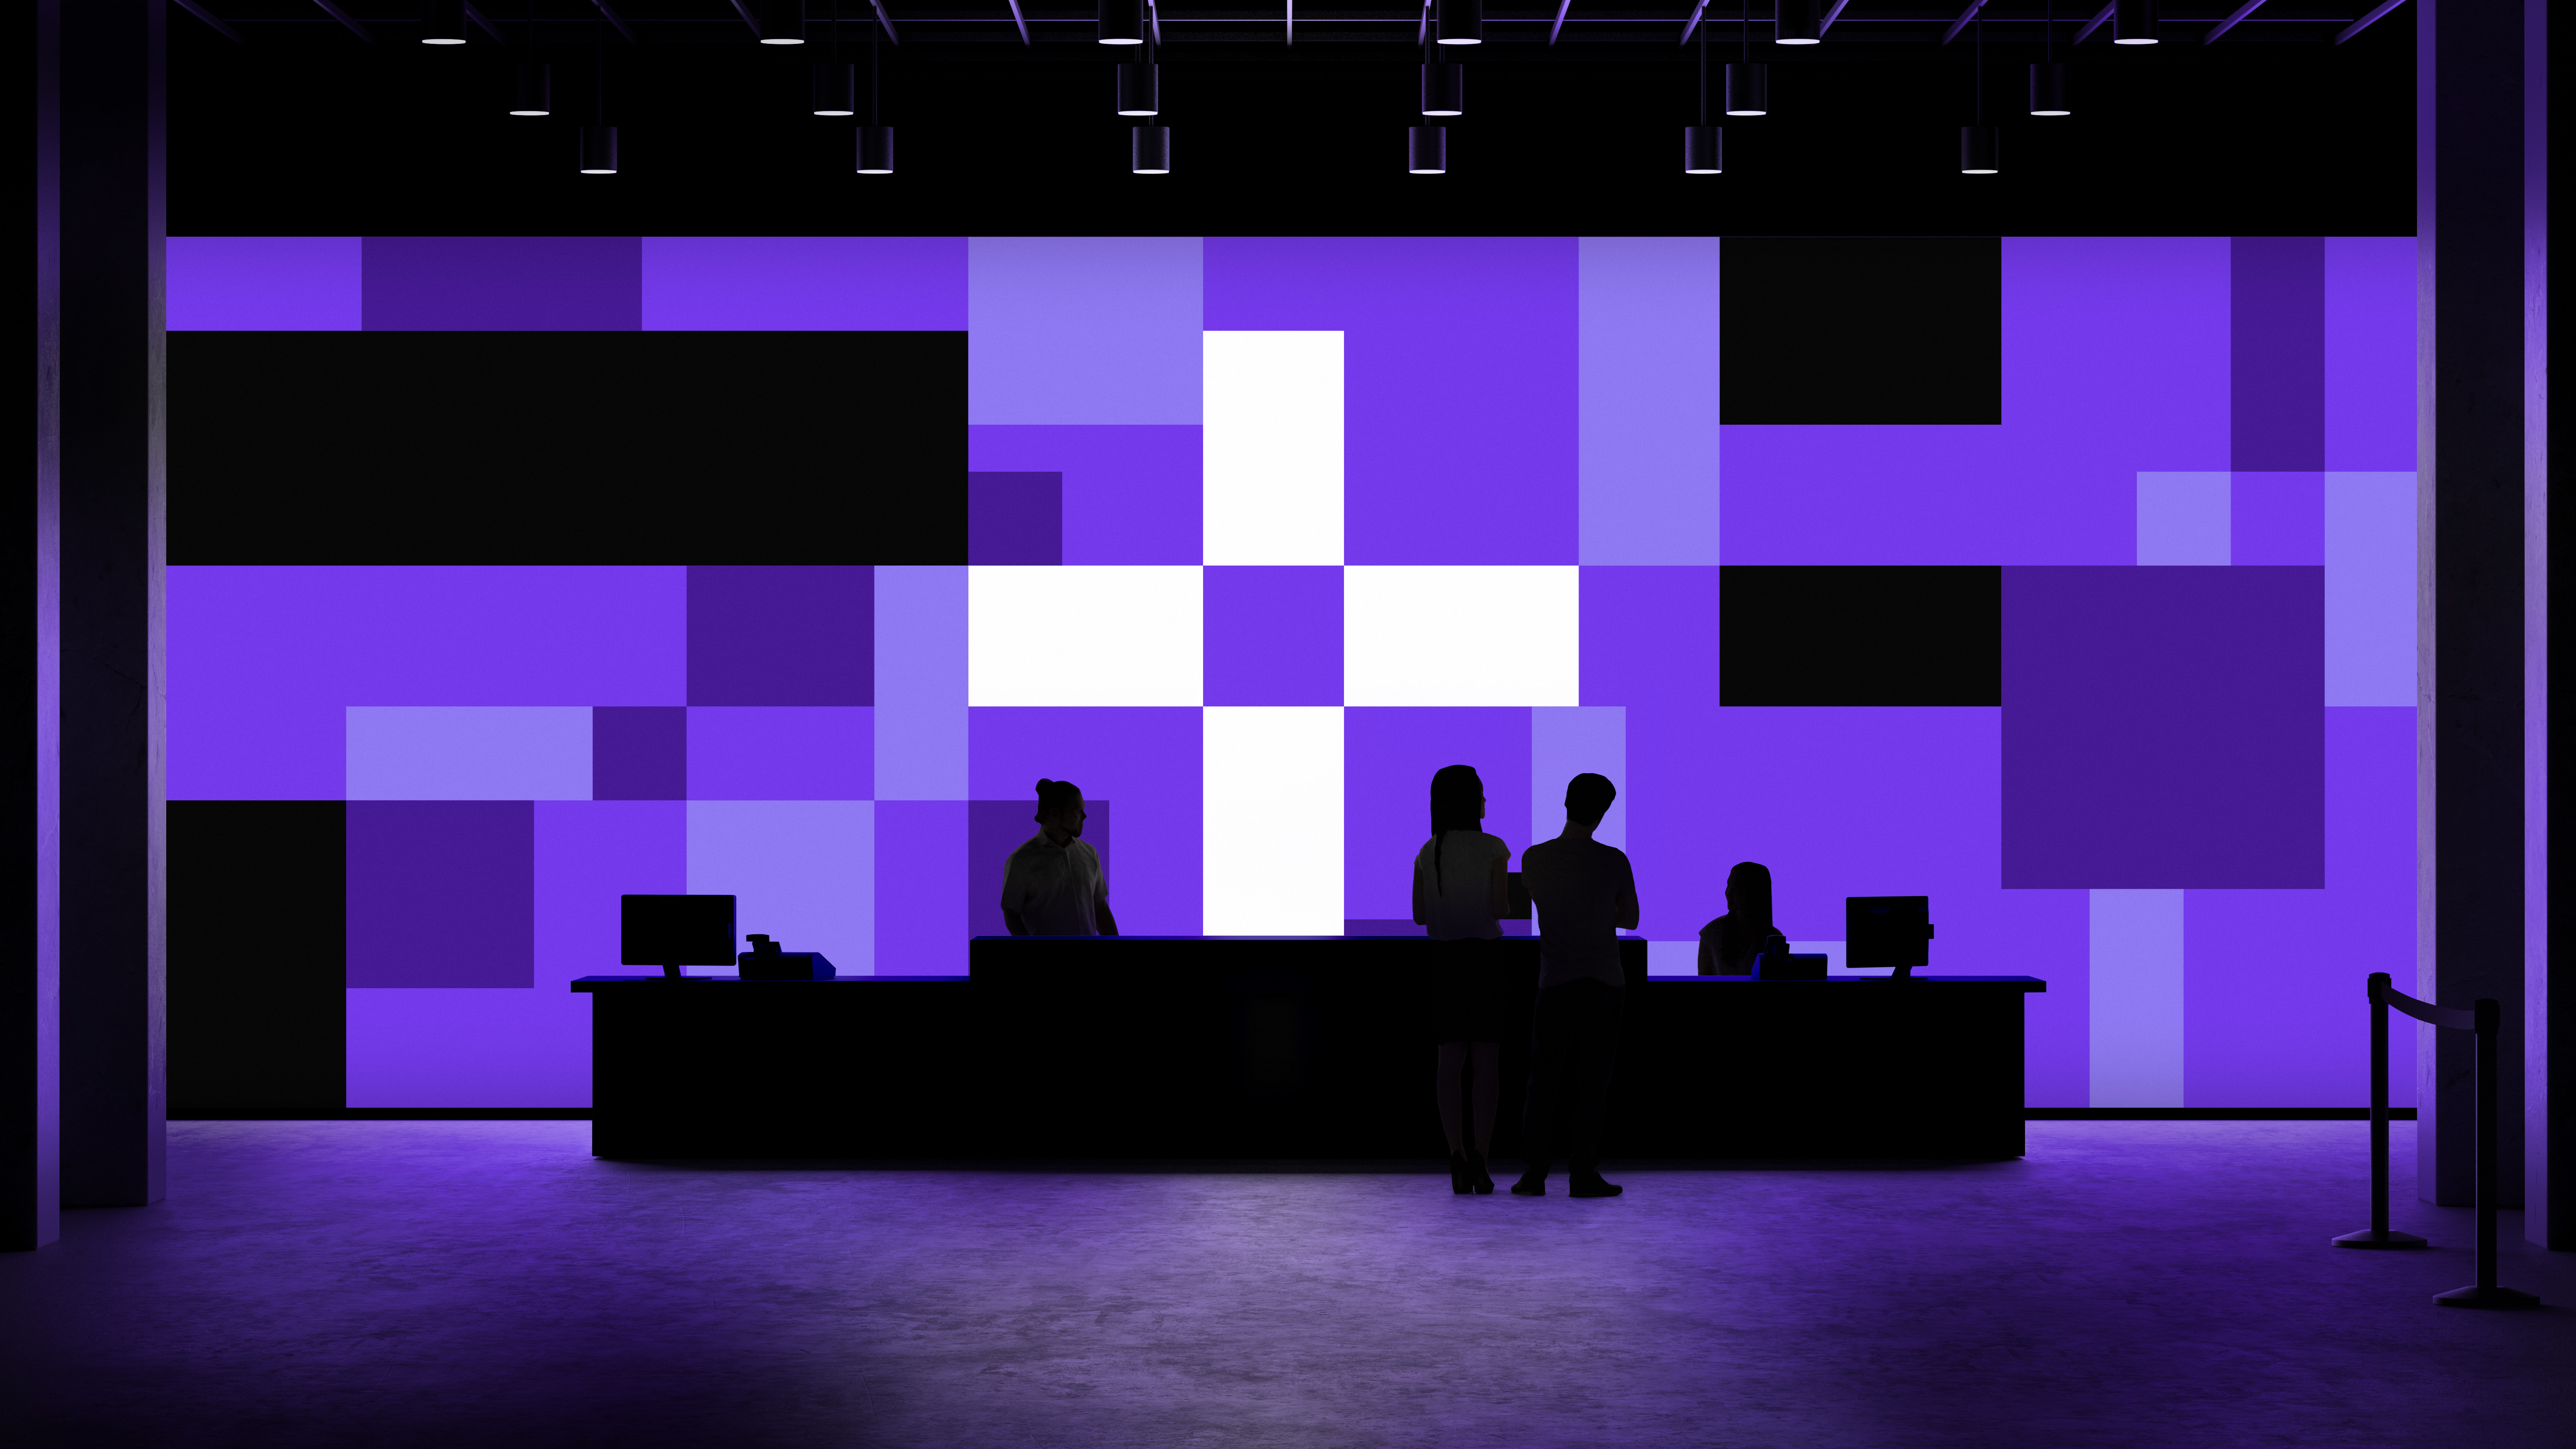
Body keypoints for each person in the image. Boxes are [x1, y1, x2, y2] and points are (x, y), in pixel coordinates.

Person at [1512, 773, 1637, 1199]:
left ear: (1566, 803)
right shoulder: (1614, 861)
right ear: (1602, 812)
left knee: (1543, 1081)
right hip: (1604, 982)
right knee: (1593, 1082)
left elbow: (1540, 902)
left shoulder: (1534, 859)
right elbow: (1631, 918)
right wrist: (1598, 911)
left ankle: (1534, 1174)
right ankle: (1583, 1173)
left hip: (1555, 981)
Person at [1412, 764, 1511, 1195]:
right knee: (1486, 1065)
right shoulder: (1494, 847)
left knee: (1448, 1064)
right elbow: (1501, 909)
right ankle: (1482, 1160)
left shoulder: (1428, 849)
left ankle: (1456, 1154)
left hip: (1444, 962)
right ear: (1473, 801)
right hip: (1486, 960)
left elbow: (1419, 916)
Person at [1000, 778, 1119, 937]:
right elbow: (1012, 914)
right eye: (1077, 810)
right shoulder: (1021, 860)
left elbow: (1100, 908)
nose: (1084, 816)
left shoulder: (1090, 853)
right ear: (1055, 813)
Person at [1697, 861, 1786, 976]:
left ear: (1755, 891)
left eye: (1737, 886)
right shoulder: (1711, 933)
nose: (1728, 892)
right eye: (1729, 885)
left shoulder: (1775, 938)